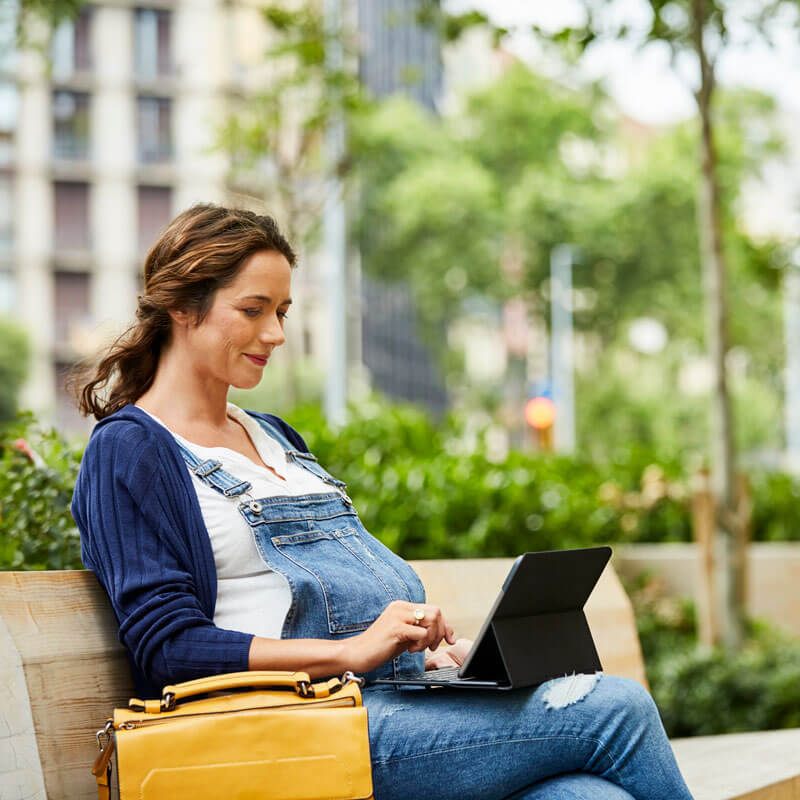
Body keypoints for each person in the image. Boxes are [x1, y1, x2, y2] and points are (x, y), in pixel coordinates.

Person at [70, 204, 694, 800]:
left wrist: (428, 647)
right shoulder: (131, 450)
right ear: (183, 306)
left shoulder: (274, 437)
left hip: (394, 703)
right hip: (296, 733)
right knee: (615, 708)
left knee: (586, 796)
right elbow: (167, 649)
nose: (276, 333)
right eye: (254, 309)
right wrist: (350, 651)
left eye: (283, 310)